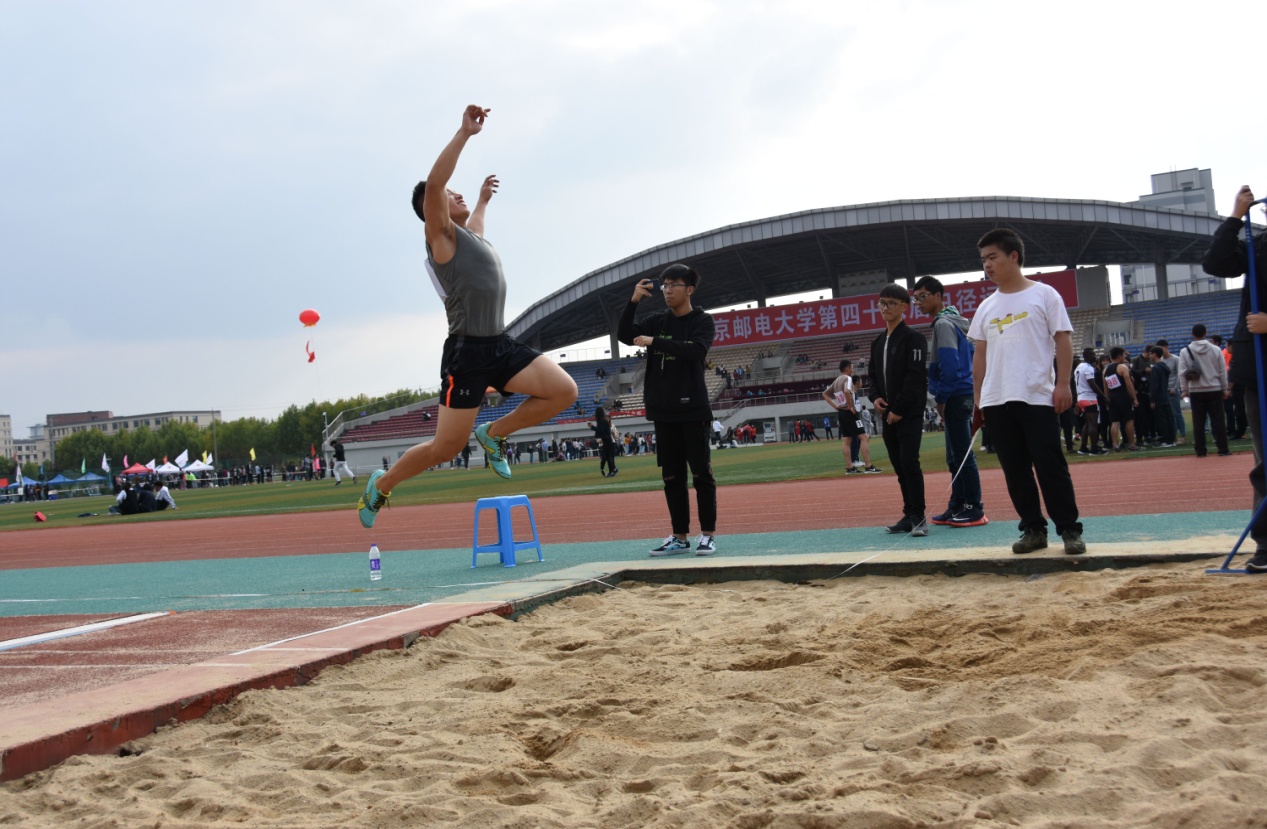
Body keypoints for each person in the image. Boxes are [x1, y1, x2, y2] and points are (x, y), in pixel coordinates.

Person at [357, 105, 578, 529]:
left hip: (500, 343)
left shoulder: (469, 236)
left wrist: (481, 200)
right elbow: (435, 185)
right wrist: (464, 133)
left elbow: (476, 222)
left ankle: (494, 434)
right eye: (449, 194)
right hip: (467, 354)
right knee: (444, 448)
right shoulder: (440, 239)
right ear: (432, 210)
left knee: (563, 391)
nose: (454, 195)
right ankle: (381, 486)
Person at [969, 228, 1085, 555]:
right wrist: (979, 399)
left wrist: (1063, 384)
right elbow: (980, 355)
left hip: (1037, 395)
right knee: (1015, 470)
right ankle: (1033, 529)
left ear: (1013, 256)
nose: (987, 265)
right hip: (996, 399)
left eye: (992, 257)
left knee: (1050, 465)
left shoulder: (1045, 295)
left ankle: (1069, 530)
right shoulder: (986, 307)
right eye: (983, 260)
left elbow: (1063, 340)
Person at [618, 263, 718, 556]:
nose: (667, 290)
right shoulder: (657, 320)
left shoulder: (702, 321)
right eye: (665, 285)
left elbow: (695, 351)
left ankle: (707, 535)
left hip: (693, 409)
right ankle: (679, 537)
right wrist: (633, 301)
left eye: (674, 285)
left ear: (690, 289)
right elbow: (624, 335)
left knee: (701, 475)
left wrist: (655, 342)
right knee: (672, 478)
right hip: (663, 411)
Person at [1201, 184, 1267, 571]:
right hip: (1258, 368)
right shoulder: (1259, 244)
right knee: (1264, 462)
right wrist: (1234, 218)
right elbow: (1216, 263)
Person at [914, 276, 986, 527]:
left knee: (962, 455)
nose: (919, 302)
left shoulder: (944, 324)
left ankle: (973, 507)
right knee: (954, 456)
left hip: (955, 394)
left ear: (937, 296)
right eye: (916, 299)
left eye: (923, 296)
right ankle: (958, 504)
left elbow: (950, 366)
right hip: (961, 392)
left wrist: (941, 398)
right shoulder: (955, 321)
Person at [868, 284, 928, 536]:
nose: (885, 308)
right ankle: (908, 514)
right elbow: (872, 377)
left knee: (909, 462)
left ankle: (918, 516)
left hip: (908, 412)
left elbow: (915, 378)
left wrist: (899, 408)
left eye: (891, 303)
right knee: (899, 466)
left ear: (905, 306)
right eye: (882, 303)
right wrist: (875, 398)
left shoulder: (914, 339)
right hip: (887, 414)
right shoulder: (877, 342)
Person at [1178, 323, 1230, 458]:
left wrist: (1184, 390)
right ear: (1206, 334)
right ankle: (1223, 449)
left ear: (1192, 334)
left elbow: (1182, 373)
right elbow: (1222, 371)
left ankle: (1200, 450)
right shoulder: (1216, 349)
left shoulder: (1185, 351)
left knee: (1198, 422)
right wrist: (1224, 388)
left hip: (1196, 390)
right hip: (1214, 388)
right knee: (1218, 420)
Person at [821, 359, 879, 475]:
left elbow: (824, 394)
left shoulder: (836, 381)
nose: (853, 370)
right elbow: (847, 391)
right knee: (864, 437)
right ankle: (868, 466)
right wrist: (849, 406)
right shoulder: (847, 378)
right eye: (852, 368)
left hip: (841, 412)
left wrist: (836, 406)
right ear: (847, 368)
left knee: (847, 440)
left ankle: (850, 468)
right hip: (849, 412)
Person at [1103, 346, 1139, 451]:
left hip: (1111, 397)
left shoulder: (1105, 370)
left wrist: (1107, 400)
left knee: (1115, 421)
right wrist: (1134, 398)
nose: (1124, 357)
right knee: (1129, 420)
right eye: (1123, 355)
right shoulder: (1122, 367)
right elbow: (1129, 384)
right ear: (1119, 356)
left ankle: (1115, 444)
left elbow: (1105, 388)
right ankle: (1131, 444)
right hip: (1123, 396)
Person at [1074, 347, 1106, 455]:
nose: (1095, 357)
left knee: (1087, 423)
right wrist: (1104, 396)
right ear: (1087, 356)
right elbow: (1092, 384)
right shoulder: (1088, 368)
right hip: (1089, 398)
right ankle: (1094, 448)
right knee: (1093, 424)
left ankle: (1083, 447)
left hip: (1081, 397)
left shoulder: (1079, 366)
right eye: (1093, 355)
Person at [1156, 339, 1186, 444]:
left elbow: (1179, 375)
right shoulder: (1160, 360)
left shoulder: (1176, 359)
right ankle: (1173, 436)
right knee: (1169, 416)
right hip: (1164, 391)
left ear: (1166, 347)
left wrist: (1175, 388)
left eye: (1161, 348)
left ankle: (1183, 435)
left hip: (1172, 390)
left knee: (1177, 413)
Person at [1147, 346, 1176, 447]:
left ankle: (1166, 440)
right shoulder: (1164, 366)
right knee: (1169, 418)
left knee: (1162, 420)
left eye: (1151, 354)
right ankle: (1171, 439)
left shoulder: (1155, 368)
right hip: (1165, 395)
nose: (1149, 356)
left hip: (1158, 397)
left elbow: (1154, 385)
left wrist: (1152, 399)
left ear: (1154, 354)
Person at [587, 406, 620, 477]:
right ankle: (613, 470)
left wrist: (592, 426)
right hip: (608, 440)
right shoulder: (603, 420)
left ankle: (611, 471)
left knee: (608, 456)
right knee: (608, 456)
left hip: (607, 440)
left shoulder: (602, 421)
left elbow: (600, 430)